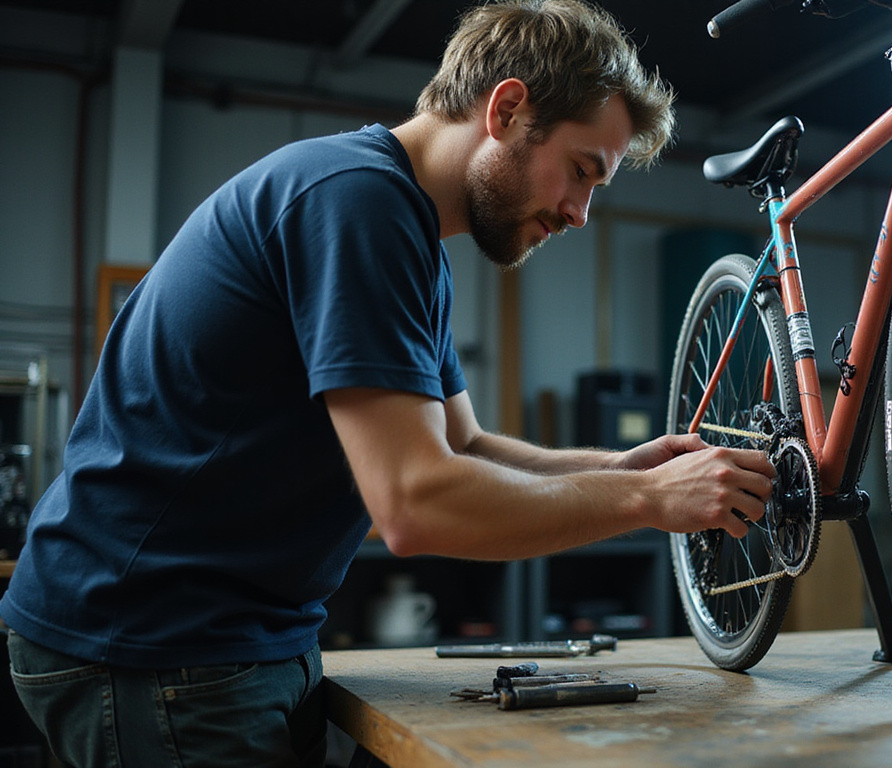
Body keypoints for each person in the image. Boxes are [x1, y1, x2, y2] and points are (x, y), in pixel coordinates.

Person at [0, 1, 776, 765]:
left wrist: (622, 469)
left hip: (233, 638)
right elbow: (415, 502)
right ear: (507, 109)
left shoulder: (402, 232)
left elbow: (463, 445)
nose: (580, 214)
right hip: (154, 645)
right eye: (582, 171)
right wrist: (645, 502)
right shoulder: (356, 204)